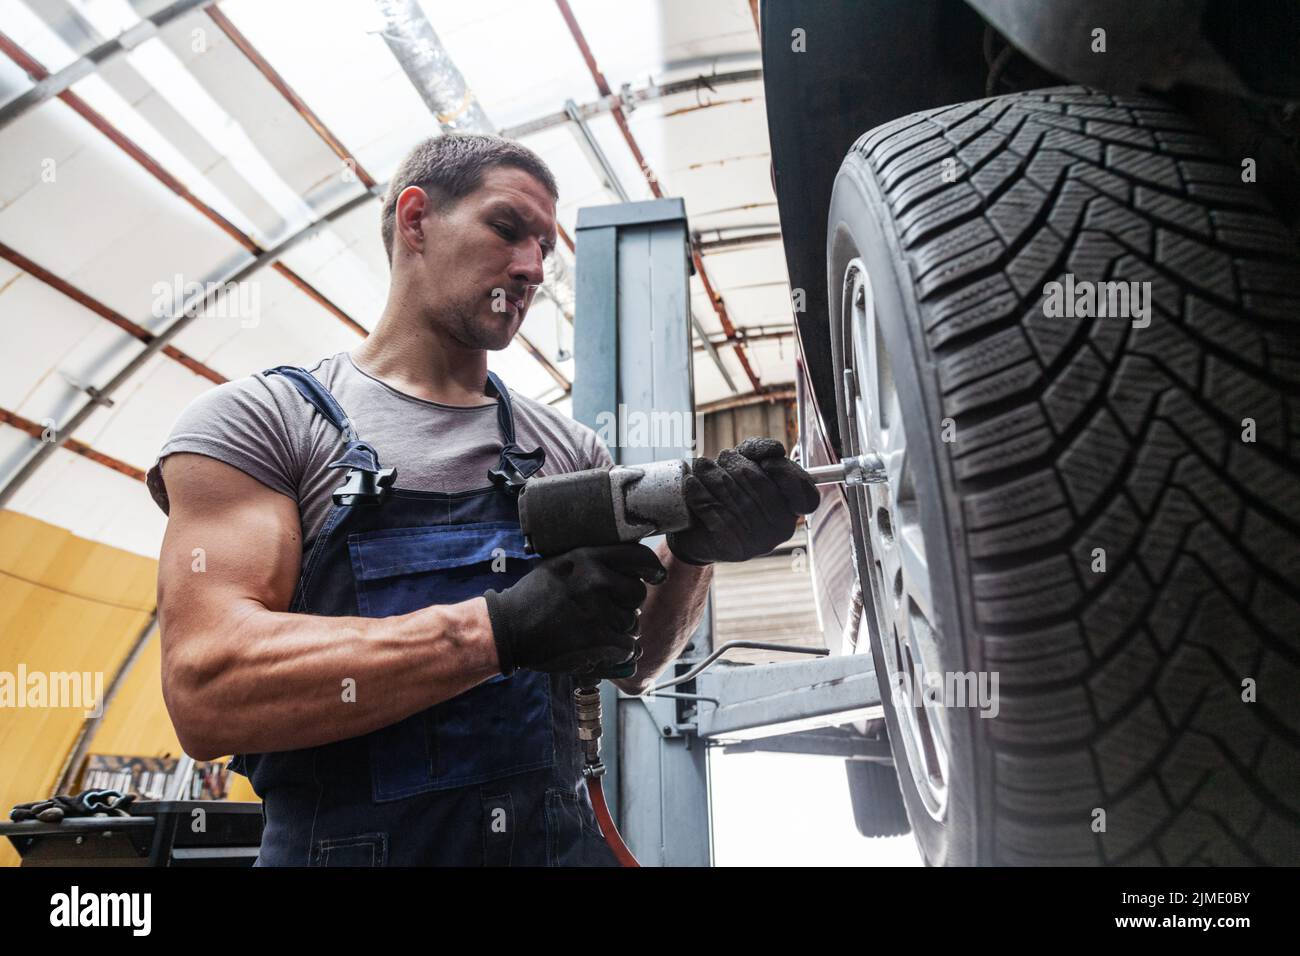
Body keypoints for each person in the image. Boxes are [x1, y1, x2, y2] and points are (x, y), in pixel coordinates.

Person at [148, 133, 820, 866]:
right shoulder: (266, 421)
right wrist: (494, 631)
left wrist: (692, 554)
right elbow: (207, 687)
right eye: (507, 229)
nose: (532, 268)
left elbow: (630, 664)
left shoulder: (565, 453)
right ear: (415, 221)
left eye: (544, 249)